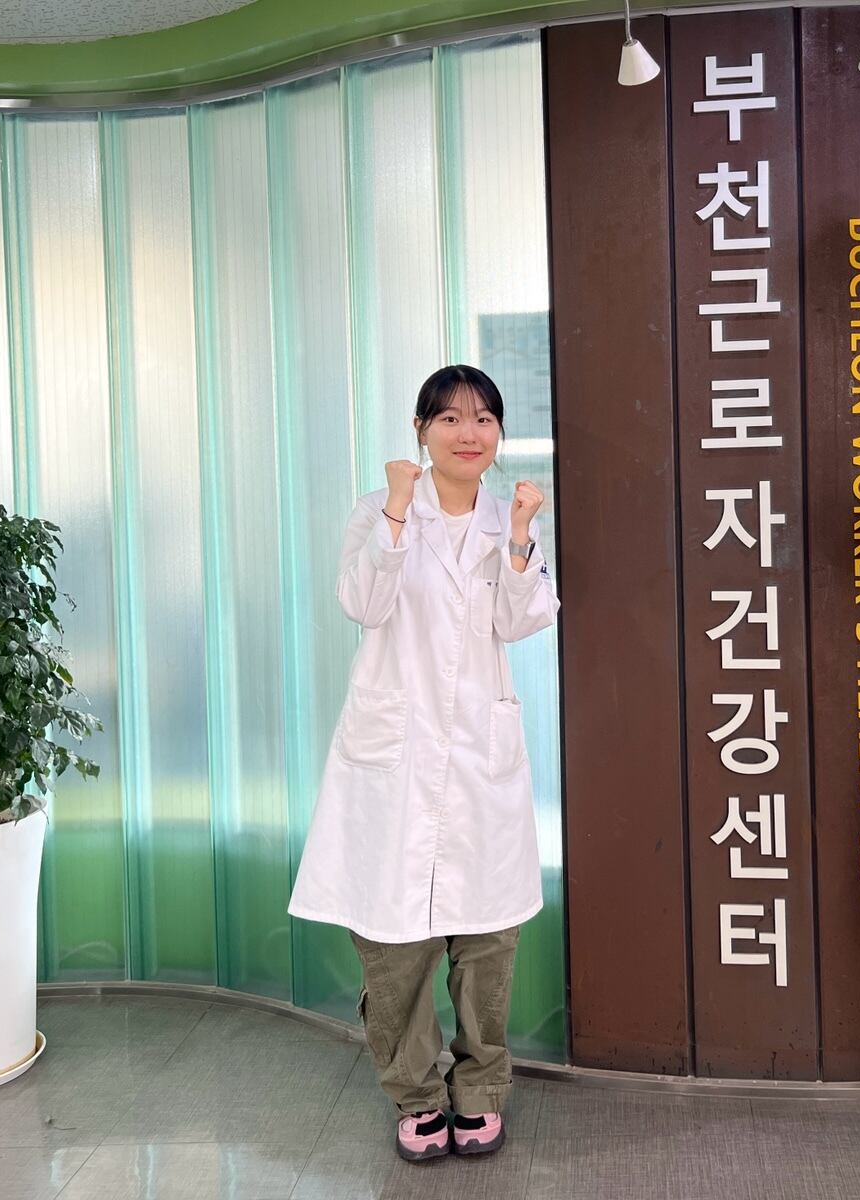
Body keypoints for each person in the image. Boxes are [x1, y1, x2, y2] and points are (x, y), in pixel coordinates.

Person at [289, 364, 558, 1163]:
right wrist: (398, 513)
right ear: (420, 430)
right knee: (395, 946)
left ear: (498, 433)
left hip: (480, 756)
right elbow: (362, 603)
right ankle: (414, 1093)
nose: (468, 433)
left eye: (483, 419)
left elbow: (523, 619)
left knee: (486, 945)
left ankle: (481, 1090)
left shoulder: (508, 518)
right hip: (394, 759)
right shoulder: (378, 509)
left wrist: (519, 540)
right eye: (449, 418)